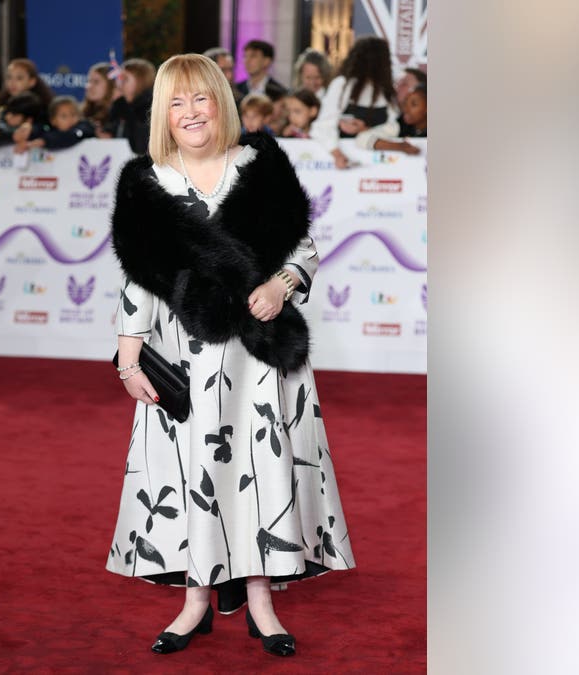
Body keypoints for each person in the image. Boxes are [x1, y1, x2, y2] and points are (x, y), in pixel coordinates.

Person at [107, 53, 355, 657]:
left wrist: (281, 284)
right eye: (176, 102)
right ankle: (195, 601)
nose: (190, 112)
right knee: (192, 469)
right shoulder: (149, 181)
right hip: (186, 351)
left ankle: (261, 598)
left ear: (221, 100)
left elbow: (304, 248)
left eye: (201, 98)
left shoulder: (260, 166)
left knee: (261, 465)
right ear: (162, 113)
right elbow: (139, 280)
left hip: (259, 356)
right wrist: (129, 356)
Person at [310, 36, 402, 168]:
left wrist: (365, 129)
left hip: (380, 165)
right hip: (344, 160)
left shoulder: (386, 90)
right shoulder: (342, 85)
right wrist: (338, 155)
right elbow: (323, 125)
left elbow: (393, 128)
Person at [104, 58, 155, 154]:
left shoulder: (150, 108)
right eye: (120, 80)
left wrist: (122, 106)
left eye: (125, 79)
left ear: (141, 81)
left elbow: (141, 145)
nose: (120, 85)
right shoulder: (121, 105)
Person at [17, 96, 96, 152]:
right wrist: (28, 132)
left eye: (73, 114)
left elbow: (70, 136)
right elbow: (41, 129)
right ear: (53, 120)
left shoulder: (84, 128)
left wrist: (44, 141)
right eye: (64, 116)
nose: (70, 119)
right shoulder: (48, 129)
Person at [81, 62, 116, 135]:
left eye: (96, 82)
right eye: (89, 81)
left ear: (110, 85)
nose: (89, 86)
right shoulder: (81, 113)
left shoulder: (118, 115)